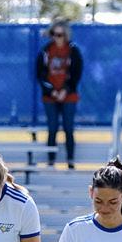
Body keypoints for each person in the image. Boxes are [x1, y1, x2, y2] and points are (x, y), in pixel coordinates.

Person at [36, 20, 83, 166]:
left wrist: (65, 90)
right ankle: (51, 160)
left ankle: (70, 160)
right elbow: (40, 75)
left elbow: (76, 74)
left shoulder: (73, 51)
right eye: (54, 34)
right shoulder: (45, 51)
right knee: (52, 128)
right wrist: (52, 92)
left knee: (68, 128)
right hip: (50, 97)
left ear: (66, 35)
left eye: (60, 35)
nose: (57, 38)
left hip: (69, 96)